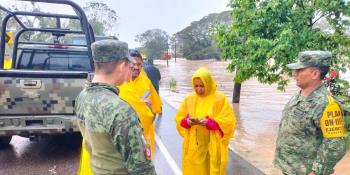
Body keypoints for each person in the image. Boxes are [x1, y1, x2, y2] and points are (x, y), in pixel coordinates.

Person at [75, 40, 156, 175]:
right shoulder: (121, 110)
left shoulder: (82, 97)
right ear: (121, 66)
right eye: (129, 65)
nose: (132, 69)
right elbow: (142, 169)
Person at [274, 51, 347, 175]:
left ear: (315, 74)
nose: (294, 74)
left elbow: (336, 144)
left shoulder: (327, 104)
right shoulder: (299, 95)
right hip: (289, 168)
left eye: (300, 70)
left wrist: (316, 172)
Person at [175, 67, 236, 175]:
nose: (199, 89)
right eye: (196, 86)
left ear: (208, 83)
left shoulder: (220, 99)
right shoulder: (190, 99)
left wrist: (212, 123)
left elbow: (229, 120)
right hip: (195, 146)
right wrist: (187, 122)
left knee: (211, 170)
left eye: (202, 86)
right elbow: (179, 118)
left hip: (212, 146)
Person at [118, 49, 162, 158]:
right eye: (133, 64)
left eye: (139, 64)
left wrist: (148, 110)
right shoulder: (118, 83)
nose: (137, 67)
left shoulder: (146, 82)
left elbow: (155, 109)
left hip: (144, 135)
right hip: (125, 135)